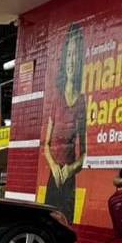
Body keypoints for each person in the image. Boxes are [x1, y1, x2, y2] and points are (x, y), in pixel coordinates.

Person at [42, 23, 87, 223]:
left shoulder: (82, 102)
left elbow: (84, 152)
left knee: (65, 225)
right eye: (69, 55)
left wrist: (71, 168)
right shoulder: (56, 98)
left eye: (75, 56)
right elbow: (46, 144)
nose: (71, 61)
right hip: (54, 176)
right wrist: (53, 165)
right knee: (45, 221)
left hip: (69, 179)